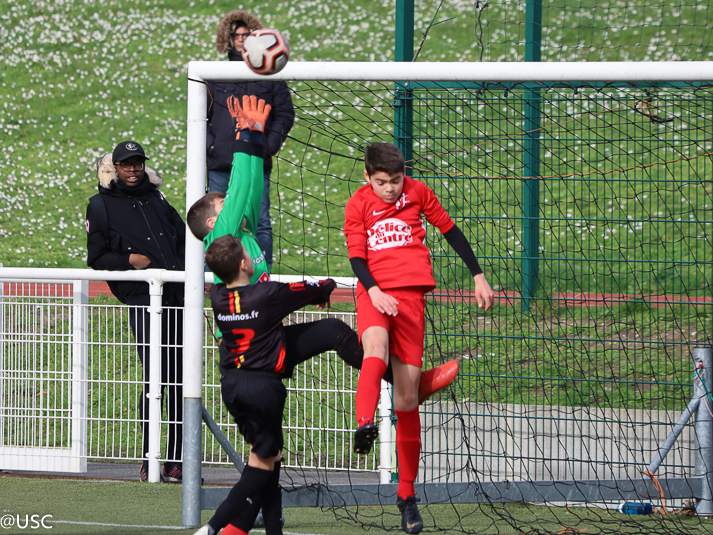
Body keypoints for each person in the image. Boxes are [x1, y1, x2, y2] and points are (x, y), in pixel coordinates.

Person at [187, 95, 460, 395]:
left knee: (335, 332)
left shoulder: (244, 236)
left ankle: (409, 386)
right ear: (214, 223)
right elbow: (237, 189)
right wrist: (240, 136)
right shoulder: (221, 238)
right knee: (262, 437)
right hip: (245, 355)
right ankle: (411, 386)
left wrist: (254, 135)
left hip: (269, 341)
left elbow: (250, 187)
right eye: (222, 203)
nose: (229, 202)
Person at [344, 142, 495, 534]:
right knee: (374, 348)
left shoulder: (419, 192)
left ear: (403, 175)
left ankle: (407, 495)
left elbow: (450, 230)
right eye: (381, 182)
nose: (390, 189)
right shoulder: (357, 204)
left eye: (395, 181)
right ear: (367, 177)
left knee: (407, 398)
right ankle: (364, 425)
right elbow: (356, 255)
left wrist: (477, 275)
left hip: (411, 298)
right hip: (375, 292)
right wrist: (373, 290)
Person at [193, 234, 339, 535]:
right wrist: (326, 289)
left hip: (232, 386)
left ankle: (273, 530)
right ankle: (213, 527)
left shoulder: (218, 295)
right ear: (246, 263)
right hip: (262, 387)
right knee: (261, 464)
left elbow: (232, 280)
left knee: (270, 455)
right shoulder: (267, 294)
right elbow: (314, 289)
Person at [86, 140, 185, 483]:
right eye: (126, 165)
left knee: (180, 381)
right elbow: (97, 259)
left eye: (137, 164)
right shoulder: (99, 205)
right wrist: (131, 262)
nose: (132, 170)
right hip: (144, 300)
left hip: (178, 297)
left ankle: (176, 461)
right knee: (154, 379)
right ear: (115, 167)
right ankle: (149, 460)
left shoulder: (157, 198)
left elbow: (183, 239)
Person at [207, 9, 295, 271]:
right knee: (221, 221)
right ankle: (216, 274)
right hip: (220, 164)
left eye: (247, 34)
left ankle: (262, 269)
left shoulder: (271, 74)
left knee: (261, 221)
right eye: (236, 35)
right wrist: (211, 145)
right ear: (228, 38)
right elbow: (203, 115)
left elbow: (285, 114)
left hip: (257, 160)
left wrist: (267, 148)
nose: (241, 39)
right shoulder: (213, 73)